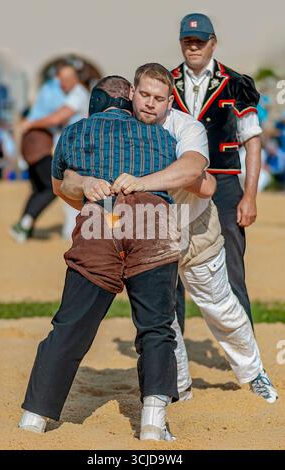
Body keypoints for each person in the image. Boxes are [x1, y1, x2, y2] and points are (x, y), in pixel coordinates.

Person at [62, 64, 278, 406]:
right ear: (132, 94)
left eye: (158, 98)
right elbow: (71, 176)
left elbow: (196, 172)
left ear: (169, 101)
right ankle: (178, 386)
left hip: (195, 228)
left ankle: (254, 374)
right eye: (144, 95)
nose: (150, 103)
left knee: (221, 308)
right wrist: (83, 184)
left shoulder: (185, 126)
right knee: (162, 316)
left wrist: (142, 181)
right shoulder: (120, 128)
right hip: (149, 231)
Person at [18, 69, 208, 441]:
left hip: (100, 220)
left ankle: (34, 417)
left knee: (71, 324)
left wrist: (85, 182)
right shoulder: (162, 133)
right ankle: (153, 422)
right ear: (131, 98)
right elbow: (199, 175)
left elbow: (61, 187)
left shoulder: (77, 131)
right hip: (154, 222)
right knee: (156, 326)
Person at [171, 13, 262, 327]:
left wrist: (249, 196)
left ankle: (248, 359)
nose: (193, 47)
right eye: (188, 41)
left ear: (213, 43)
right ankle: (169, 354)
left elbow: (252, 142)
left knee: (232, 268)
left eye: (199, 41)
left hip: (223, 185)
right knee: (169, 268)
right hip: (176, 186)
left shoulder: (237, 84)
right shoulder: (165, 82)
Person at [18, 60, 90, 241]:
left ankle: (73, 231)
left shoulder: (78, 94)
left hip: (76, 151)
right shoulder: (72, 94)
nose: (61, 85)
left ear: (72, 79)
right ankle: (71, 231)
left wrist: (30, 123)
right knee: (66, 189)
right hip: (69, 151)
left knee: (71, 189)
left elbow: (58, 118)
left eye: (64, 80)